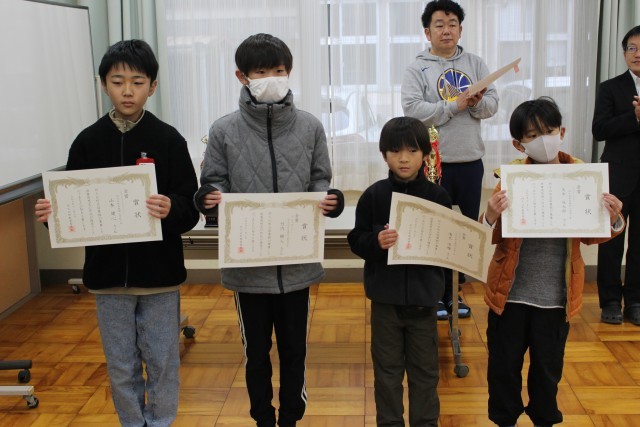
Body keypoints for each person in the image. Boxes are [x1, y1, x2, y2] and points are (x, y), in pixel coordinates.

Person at [34, 40, 199, 426]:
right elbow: (72, 207)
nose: (127, 91)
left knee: (162, 363)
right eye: (117, 81)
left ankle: (160, 422)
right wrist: (51, 215)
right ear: (103, 85)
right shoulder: (88, 141)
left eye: (137, 82)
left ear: (152, 87)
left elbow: (190, 206)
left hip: (159, 277)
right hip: (108, 279)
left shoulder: (168, 139)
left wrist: (172, 208)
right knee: (121, 365)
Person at [193, 33, 344, 427]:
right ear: (242, 77)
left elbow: (320, 179)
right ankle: (262, 418)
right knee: (256, 354)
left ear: (289, 71)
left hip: (296, 267)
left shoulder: (310, 126)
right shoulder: (224, 130)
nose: (271, 79)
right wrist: (209, 198)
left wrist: (328, 200)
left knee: (296, 351)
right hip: (248, 268)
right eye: (261, 72)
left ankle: (291, 417)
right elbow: (212, 183)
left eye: (278, 70)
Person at [481, 97, 624, 427]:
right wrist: (490, 214)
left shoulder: (582, 176)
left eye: (549, 131)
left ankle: (544, 419)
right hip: (509, 296)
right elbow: (490, 233)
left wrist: (614, 218)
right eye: (532, 136)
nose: (543, 140)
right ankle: (504, 420)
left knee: (547, 371)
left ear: (562, 132)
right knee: (503, 367)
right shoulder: (511, 178)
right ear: (518, 144)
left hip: (556, 299)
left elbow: (591, 236)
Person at [348, 117, 452, 426]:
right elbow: (356, 239)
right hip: (385, 302)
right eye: (395, 151)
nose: (403, 158)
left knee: (425, 373)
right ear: (384, 155)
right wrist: (376, 242)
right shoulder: (374, 196)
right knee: (387, 373)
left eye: (412, 151)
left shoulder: (438, 198)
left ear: (426, 155)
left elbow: (449, 246)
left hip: (424, 302)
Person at [401, 0, 499, 320]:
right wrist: (454, 106)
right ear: (427, 32)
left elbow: (492, 106)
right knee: (435, 229)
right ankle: (434, 294)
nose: (446, 30)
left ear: (460, 29)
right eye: (439, 24)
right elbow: (413, 111)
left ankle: (454, 293)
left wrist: (475, 103)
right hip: (433, 164)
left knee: (464, 230)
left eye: (452, 23)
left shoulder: (475, 63)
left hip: (470, 161)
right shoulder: (417, 68)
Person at [592, 25, 640, 326]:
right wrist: (634, 117)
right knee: (611, 241)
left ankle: (635, 301)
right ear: (624, 54)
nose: (638, 54)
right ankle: (610, 300)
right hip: (618, 174)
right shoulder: (610, 87)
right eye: (632, 48)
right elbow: (599, 129)